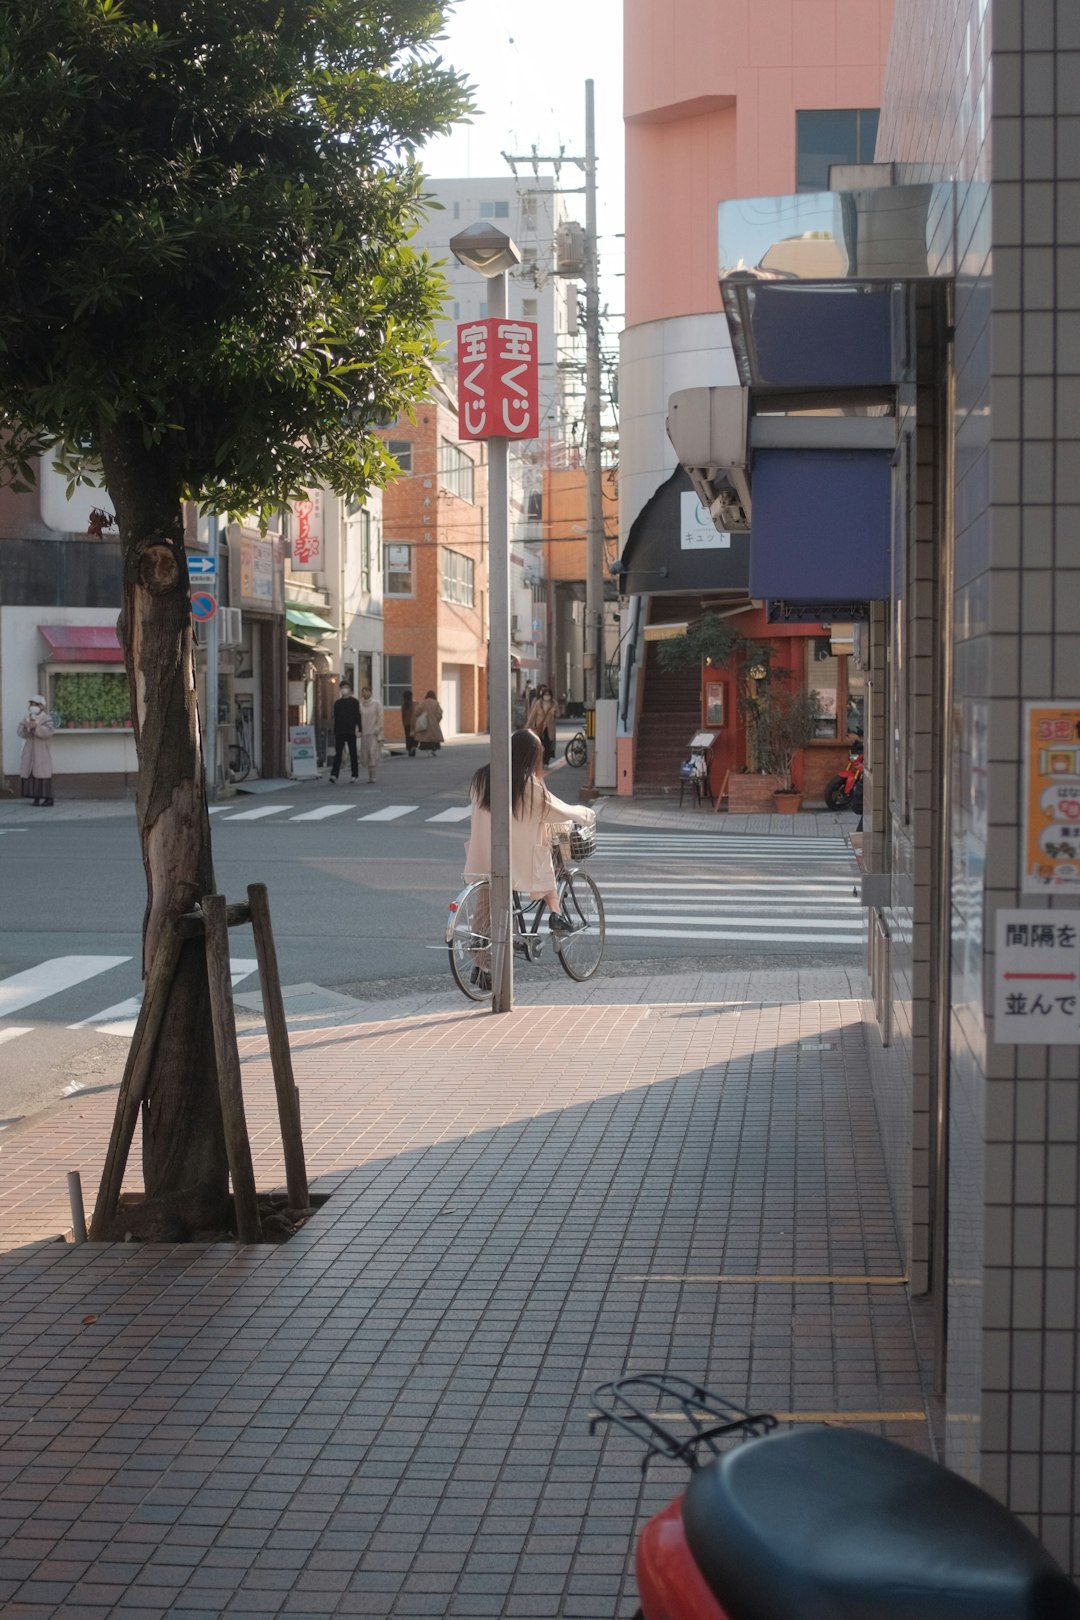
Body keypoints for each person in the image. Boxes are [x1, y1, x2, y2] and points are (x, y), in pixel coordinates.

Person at [464, 727, 595, 951]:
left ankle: (481, 968)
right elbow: (557, 810)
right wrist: (587, 815)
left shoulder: (481, 778)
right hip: (515, 860)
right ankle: (556, 914)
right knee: (544, 858)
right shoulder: (526, 785)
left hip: (483, 855)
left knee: (485, 905)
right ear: (531, 757)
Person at [18, 695, 55, 807]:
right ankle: (36, 797)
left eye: (36, 704)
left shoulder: (46, 718)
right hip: (30, 750)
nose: (33, 707)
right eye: (32, 704)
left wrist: (36, 727)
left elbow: (49, 732)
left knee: (42, 774)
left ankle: (49, 798)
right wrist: (25, 727)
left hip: (41, 751)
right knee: (31, 773)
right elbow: (20, 732)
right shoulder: (27, 717)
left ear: (41, 706)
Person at [329, 682, 361, 782]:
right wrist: (335, 731)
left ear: (350, 689)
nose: (344, 689)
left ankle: (354, 775)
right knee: (338, 753)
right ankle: (334, 775)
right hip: (340, 731)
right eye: (342, 687)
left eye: (346, 687)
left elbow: (357, 716)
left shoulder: (355, 702)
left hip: (351, 731)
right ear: (340, 689)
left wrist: (360, 728)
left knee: (353, 753)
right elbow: (336, 718)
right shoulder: (337, 703)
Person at [358, 685, 384, 784]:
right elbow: (358, 718)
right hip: (364, 732)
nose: (364, 694)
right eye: (363, 692)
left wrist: (378, 728)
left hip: (374, 733)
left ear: (370, 692)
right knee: (366, 754)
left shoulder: (376, 704)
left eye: (366, 691)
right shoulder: (360, 704)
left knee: (373, 753)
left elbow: (380, 717)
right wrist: (358, 730)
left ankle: (373, 774)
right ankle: (369, 773)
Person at [526, 685, 558, 765]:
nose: (547, 696)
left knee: (548, 744)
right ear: (542, 695)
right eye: (545, 694)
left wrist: (554, 713)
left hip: (550, 728)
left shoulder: (554, 703)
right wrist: (527, 726)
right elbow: (532, 716)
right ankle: (540, 761)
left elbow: (558, 714)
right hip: (540, 727)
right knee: (539, 744)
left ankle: (546, 761)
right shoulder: (538, 703)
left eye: (548, 695)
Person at [413, 689, 444, 756]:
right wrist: (437, 720)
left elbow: (417, 712)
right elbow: (440, 713)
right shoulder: (436, 703)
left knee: (425, 737)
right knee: (434, 737)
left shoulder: (423, 703)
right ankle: (433, 749)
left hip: (424, 722)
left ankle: (427, 750)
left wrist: (420, 716)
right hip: (433, 723)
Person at [401, 688, 417, 757]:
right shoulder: (414, 704)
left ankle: (409, 748)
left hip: (407, 723)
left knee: (408, 737)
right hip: (414, 722)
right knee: (414, 736)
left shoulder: (403, 705)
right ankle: (414, 747)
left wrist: (404, 723)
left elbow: (403, 715)